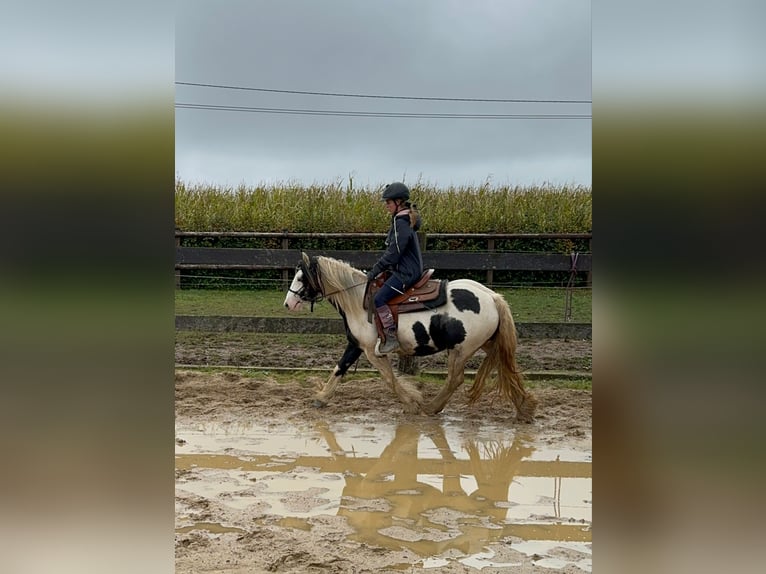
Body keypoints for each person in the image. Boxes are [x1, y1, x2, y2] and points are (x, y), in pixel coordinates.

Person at [366, 182, 424, 353]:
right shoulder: (403, 219)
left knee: (378, 299)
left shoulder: (401, 222)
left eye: (388, 202)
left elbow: (394, 252)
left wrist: (375, 270)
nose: (386, 206)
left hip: (406, 273)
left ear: (398, 202)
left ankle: (390, 336)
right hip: (405, 269)